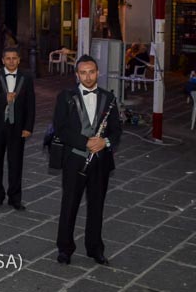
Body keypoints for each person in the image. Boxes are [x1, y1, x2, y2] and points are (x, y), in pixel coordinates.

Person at [54, 55, 121, 266]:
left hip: (100, 159)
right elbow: (61, 128)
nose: (88, 76)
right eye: (83, 72)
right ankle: (65, 249)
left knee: (96, 206)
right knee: (69, 204)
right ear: (77, 75)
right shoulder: (65, 96)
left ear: (98, 73)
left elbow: (117, 130)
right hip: (74, 158)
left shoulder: (108, 98)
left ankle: (95, 248)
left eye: (91, 72)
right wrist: (86, 143)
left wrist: (105, 142)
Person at [0, 47, 36, 210]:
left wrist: (28, 126)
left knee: (16, 163)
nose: (11, 61)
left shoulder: (26, 77)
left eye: (14, 58)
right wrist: (2, 98)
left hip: (17, 127)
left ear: (19, 60)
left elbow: (30, 103)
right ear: (3, 60)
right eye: (8, 58)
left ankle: (15, 197)